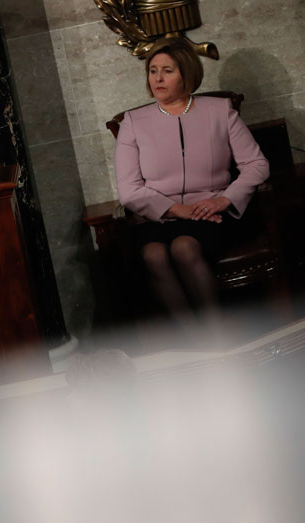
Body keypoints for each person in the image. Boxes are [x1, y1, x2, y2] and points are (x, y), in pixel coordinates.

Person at [114, 38, 269, 331]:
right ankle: (192, 340)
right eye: (153, 71)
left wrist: (223, 200)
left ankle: (215, 333)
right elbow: (129, 189)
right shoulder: (133, 123)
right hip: (158, 216)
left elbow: (257, 165)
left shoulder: (221, 111)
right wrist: (176, 210)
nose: (157, 78)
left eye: (167, 71)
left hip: (212, 212)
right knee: (153, 254)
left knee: (184, 248)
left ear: (186, 73)